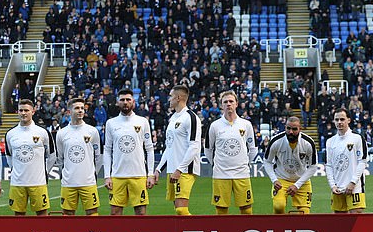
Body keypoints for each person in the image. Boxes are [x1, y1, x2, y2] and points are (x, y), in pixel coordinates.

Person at [204, 90, 258, 215]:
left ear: (236, 104)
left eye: (231, 101)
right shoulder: (215, 126)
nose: (228, 104)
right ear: (221, 105)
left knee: (246, 209)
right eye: (225, 102)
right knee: (221, 210)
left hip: (242, 173)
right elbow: (208, 149)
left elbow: (253, 148)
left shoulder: (246, 124)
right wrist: (215, 165)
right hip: (221, 175)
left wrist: (245, 163)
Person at [103, 88, 155, 215]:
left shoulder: (142, 122)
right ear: (117, 102)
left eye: (128, 100)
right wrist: (107, 176)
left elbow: (149, 148)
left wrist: (150, 174)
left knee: (141, 213)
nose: (125, 102)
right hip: (117, 176)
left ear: (133, 102)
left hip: (138, 175)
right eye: (122, 100)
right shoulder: (111, 123)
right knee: (115, 213)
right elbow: (107, 150)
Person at [154, 85, 202, 215]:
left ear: (178, 97)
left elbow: (194, 146)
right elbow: (169, 147)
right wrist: (158, 170)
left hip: (185, 170)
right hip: (172, 169)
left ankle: (200, 231)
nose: (169, 99)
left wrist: (179, 169)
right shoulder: (173, 118)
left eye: (171, 96)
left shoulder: (190, 117)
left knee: (181, 210)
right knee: (177, 210)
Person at [5, 99, 56, 216]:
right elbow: (9, 155)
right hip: (17, 182)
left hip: (38, 182)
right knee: (18, 215)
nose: (23, 113)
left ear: (33, 111)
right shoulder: (10, 134)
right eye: (21, 110)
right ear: (17, 112)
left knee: (42, 214)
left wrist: (44, 172)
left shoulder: (42, 132)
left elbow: (52, 155)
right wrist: (15, 170)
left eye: (26, 110)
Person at [56, 97, 103, 215]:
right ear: (69, 112)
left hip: (88, 182)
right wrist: (66, 173)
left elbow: (99, 156)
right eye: (77, 108)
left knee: (92, 213)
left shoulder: (92, 131)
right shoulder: (62, 133)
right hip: (69, 182)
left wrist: (93, 173)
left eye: (82, 108)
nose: (80, 110)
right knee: (67, 214)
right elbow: (60, 158)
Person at [263, 116, 318, 214]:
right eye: (288, 128)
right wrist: (274, 180)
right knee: (278, 206)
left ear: (300, 129)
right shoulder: (276, 141)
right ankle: (281, 228)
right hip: (281, 179)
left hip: (301, 181)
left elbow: (313, 166)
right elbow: (267, 161)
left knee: (304, 213)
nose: (291, 132)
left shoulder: (308, 143)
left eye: (294, 129)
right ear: (285, 127)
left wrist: (297, 185)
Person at [325, 108, 368, 213]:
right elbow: (329, 165)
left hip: (355, 187)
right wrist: (332, 185)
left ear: (349, 120)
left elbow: (362, 161)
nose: (339, 122)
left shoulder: (357, 138)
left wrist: (353, 182)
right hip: (337, 188)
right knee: (340, 222)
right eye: (337, 120)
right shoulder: (330, 142)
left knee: (356, 219)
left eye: (342, 119)